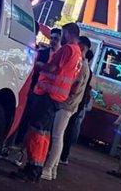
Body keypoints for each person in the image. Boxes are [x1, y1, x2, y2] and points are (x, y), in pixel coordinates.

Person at [11, 23, 82, 182]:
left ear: (68, 34)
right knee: (43, 134)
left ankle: (32, 169)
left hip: (46, 95)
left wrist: (35, 64)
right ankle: (35, 167)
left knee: (37, 132)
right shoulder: (78, 54)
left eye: (63, 34)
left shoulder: (67, 49)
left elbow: (51, 68)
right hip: (55, 98)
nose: (61, 38)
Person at [41, 36, 93, 180]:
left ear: (82, 47)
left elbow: (75, 87)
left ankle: (48, 168)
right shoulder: (84, 66)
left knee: (57, 136)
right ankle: (53, 168)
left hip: (66, 104)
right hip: (69, 105)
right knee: (59, 135)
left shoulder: (82, 66)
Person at [13, 28, 61, 146]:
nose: (53, 41)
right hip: (35, 89)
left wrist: (43, 66)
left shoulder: (61, 56)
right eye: (52, 38)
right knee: (26, 117)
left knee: (38, 123)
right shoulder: (43, 52)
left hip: (49, 95)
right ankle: (17, 143)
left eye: (56, 38)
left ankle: (26, 147)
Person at [59, 49, 94, 164]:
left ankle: (62, 156)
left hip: (73, 102)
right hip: (80, 102)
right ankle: (64, 155)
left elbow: (76, 86)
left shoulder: (83, 68)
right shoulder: (89, 71)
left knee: (62, 132)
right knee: (71, 127)